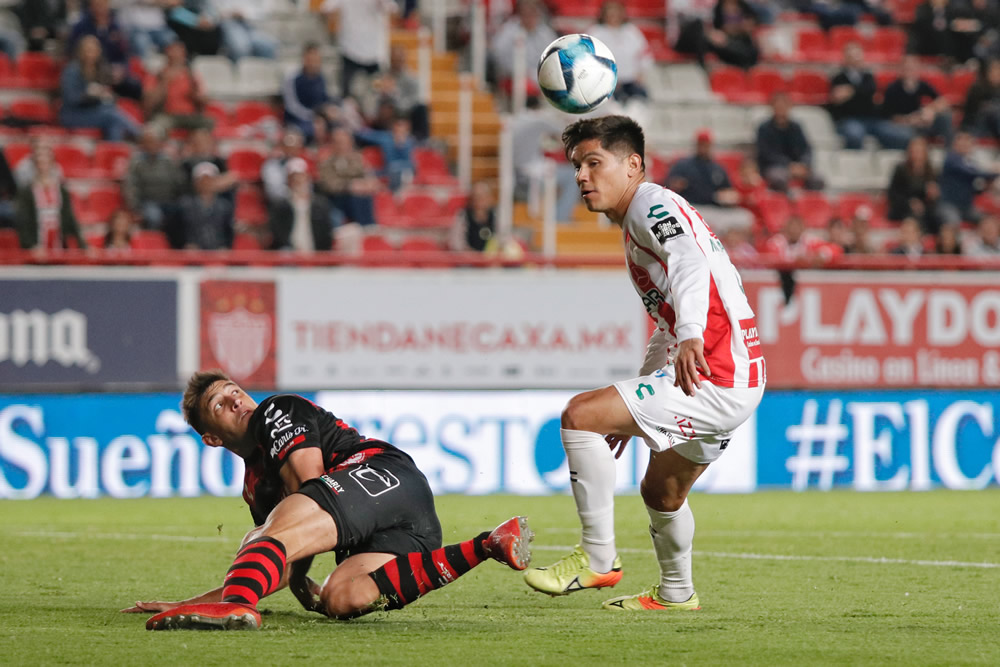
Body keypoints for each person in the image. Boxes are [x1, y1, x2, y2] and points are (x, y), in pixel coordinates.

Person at [522, 116, 765, 611]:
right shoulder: (640, 221)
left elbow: (689, 260)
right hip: (731, 376)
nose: (581, 176)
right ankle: (676, 594)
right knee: (662, 491)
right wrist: (634, 399)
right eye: (577, 166)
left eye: (594, 163)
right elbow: (666, 323)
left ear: (633, 164)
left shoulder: (650, 205)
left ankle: (597, 558)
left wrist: (692, 332)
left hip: (715, 373)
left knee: (579, 415)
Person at [125, 370, 532, 630]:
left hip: (380, 475)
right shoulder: (255, 486)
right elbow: (279, 562)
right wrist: (189, 604)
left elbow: (311, 484)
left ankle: (236, 606)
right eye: (220, 405)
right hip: (411, 529)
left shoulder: (275, 410)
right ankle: (487, 544)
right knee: (342, 596)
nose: (237, 401)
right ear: (212, 438)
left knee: (260, 536)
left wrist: (274, 574)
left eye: (236, 392)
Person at [665, 129, 753, 234]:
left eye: (706, 144)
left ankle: (738, 245)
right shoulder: (683, 166)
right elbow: (669, 186)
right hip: (694, 207)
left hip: (717, 209)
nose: (704, 147)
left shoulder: (717, 168)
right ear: (696, 145)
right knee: (710, 223)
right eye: (701, 144)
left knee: (745, 217)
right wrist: (714, 196)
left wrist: (730, 196)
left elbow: (729, 190)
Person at [829, 41, 910, 150]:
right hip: (849, 119)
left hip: (872, 119)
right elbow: (838, 98)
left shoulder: (868, 76)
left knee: (901, 136)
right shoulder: (838, 78)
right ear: (845, 58)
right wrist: (860, 92)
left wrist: (851, 91)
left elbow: (870, 91)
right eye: (852, 56)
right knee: (854, 136)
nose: (856, 59)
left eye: (857, 55)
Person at [59, 35, 140, 141]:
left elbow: (105, 96)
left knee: (114, 123)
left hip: (94, 111)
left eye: (94, 50)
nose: (90, 54)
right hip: (73, 114)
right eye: (87, 50)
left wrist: (107, 96)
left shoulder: (100, 70)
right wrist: (90, 95)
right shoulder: (72, 70)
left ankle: (113, 149)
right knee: (111, 115)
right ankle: (141, 134)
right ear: (80, 52)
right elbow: (71, 99)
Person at [320, 0, 398, 100]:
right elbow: (325, 10)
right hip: (350, 52)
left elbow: (394, 10)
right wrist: (331, 24)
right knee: (346, 94)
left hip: (374, 56)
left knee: (377, 92)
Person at [14, 141, 85, 251]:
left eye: (46, 160)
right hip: (36, 246)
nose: (43, 163)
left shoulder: (62, 191)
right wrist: (30, 245)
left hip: (58, 245)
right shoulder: (27, 192)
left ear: (52, 162)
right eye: (40, 160)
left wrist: (83, 245)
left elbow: (70, 218)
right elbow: (24, 221)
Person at [123, 124, 186, 241]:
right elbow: (131, 186)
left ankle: (177, 244)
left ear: (160, 143)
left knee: (185, 213)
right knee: (154, 217)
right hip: (147, 202)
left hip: (169, 200)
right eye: (148, 141)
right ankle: (154, 244)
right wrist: (135, 208)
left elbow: (179, 182)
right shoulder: (136, 162)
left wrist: (181, 199)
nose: (151, 145)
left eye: (154, 141)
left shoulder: (168, 161)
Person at [755, 92, 824, 192]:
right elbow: (766, 153)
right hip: (774, 166)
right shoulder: (764, 128)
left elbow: (806, 149)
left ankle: (809, 201)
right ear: (772, 107)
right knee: (778, 178)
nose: (781, 108)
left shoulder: (796, 127)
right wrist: (789, 165)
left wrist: (804, 164)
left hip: (797, 166)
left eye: (784, 105)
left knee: (817, 179)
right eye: (778, 105)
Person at [585, 1, 652, 104]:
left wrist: (641, 72)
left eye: (616, 11)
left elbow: (645, 54)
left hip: (630, 80)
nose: (613, 15)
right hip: (605, 83)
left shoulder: (631, 31)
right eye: (610, 11)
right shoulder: (596, 32)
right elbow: (587, 58)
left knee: (639, 101)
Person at [880, 54, 954, 146]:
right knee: (904, 134)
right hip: (903, 126)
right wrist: (910, 120)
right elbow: (889, 117)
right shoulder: (892, 88)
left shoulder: (922, 85)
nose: (910, 71)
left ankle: (950, 149)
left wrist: (930, 110)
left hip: (920, 122)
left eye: (913, 68)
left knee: (945, 117)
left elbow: (943, 101)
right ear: (901, 69)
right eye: (907, 68)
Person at [143, 39, 213, 133]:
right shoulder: (157, 75)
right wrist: (164, 83)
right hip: (166, 115)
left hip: (190, 116)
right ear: (167, 52)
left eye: (180, 51)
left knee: (207, 125)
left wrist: (197, 96)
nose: (177, 55)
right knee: (152, 132)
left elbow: (203, 101)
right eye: (174, 50)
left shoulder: (191, 76)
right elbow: (148, 104)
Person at [282, 42, 345, 144]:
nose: (313, 63)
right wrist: (314, 117)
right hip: (298, 120)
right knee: (307, 131)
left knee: (341, 129)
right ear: (304, 59)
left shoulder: (321, 77)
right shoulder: (292, 78)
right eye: (310, 60)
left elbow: (326, 98)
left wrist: (333, 108)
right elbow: (292, 107)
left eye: (316, 60)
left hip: (320, 117)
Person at [317, 126, 379, 227]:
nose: (342, 146)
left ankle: (369, 226)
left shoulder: (358, 159)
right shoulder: (327, 163)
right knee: (355, 196)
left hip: (360, 197)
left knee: (365, 196)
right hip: (337, 199)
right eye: (339, 142)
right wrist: (349, 186)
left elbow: (369, 175)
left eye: (345, 142)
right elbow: (329, 184)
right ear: (333, 144)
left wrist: (368, 183)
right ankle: (364, 225)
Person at [268, 157, 334, 251]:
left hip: (316, 250)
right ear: (289, 181)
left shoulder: (320, 204)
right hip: (289, 250)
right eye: (294, 179)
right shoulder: (280, 205)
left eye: (301, 177)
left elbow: (326, 231)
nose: (299, 182)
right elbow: (278, 232)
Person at [938, 129, 999, 224]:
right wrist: (993, 172)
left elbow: (970, 185)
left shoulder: (969, 162)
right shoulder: (951, 158)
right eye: (962, 141)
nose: (965, 144)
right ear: (955, 144)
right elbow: (971, 173)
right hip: (949, 205)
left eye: (968, 141)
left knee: (989, 221)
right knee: (953, 222)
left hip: (966, 207)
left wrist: (985, 187)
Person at [887, 135, 943, 234]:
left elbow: (934, 197)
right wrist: (910, 202)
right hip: (903, 207)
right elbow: (893, 193)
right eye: (915, 151)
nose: (917, 154)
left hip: (925, 208)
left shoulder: (931, 171)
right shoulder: (901, 169)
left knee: (938, 217)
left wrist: (933, 195)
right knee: (916, 217)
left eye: (920, 151)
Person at [179, 161, 233, 249]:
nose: (206, 183)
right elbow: (179, 230)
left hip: (218, 251)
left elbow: (228, 231)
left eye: (210, 180)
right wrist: (186, 244)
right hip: (193, 252)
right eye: (202, 180)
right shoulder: (185, 204)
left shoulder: (224, 206)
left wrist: (225, 246)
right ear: (195, 182)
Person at [449, 180, 497, 252]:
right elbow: (456, 243)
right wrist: (471, 253)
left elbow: (501, 239)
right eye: (476, 196)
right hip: (467, 257)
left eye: (482, 196)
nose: (478, 200)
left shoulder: (495, 216)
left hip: (489, 256)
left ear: (489, 198)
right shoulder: (463, 215)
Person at [961, 58, 1000, 142]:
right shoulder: (977, 88)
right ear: (987, 72)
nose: (997, 73)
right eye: (994, 70)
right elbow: (969, 112)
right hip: (978, 125)